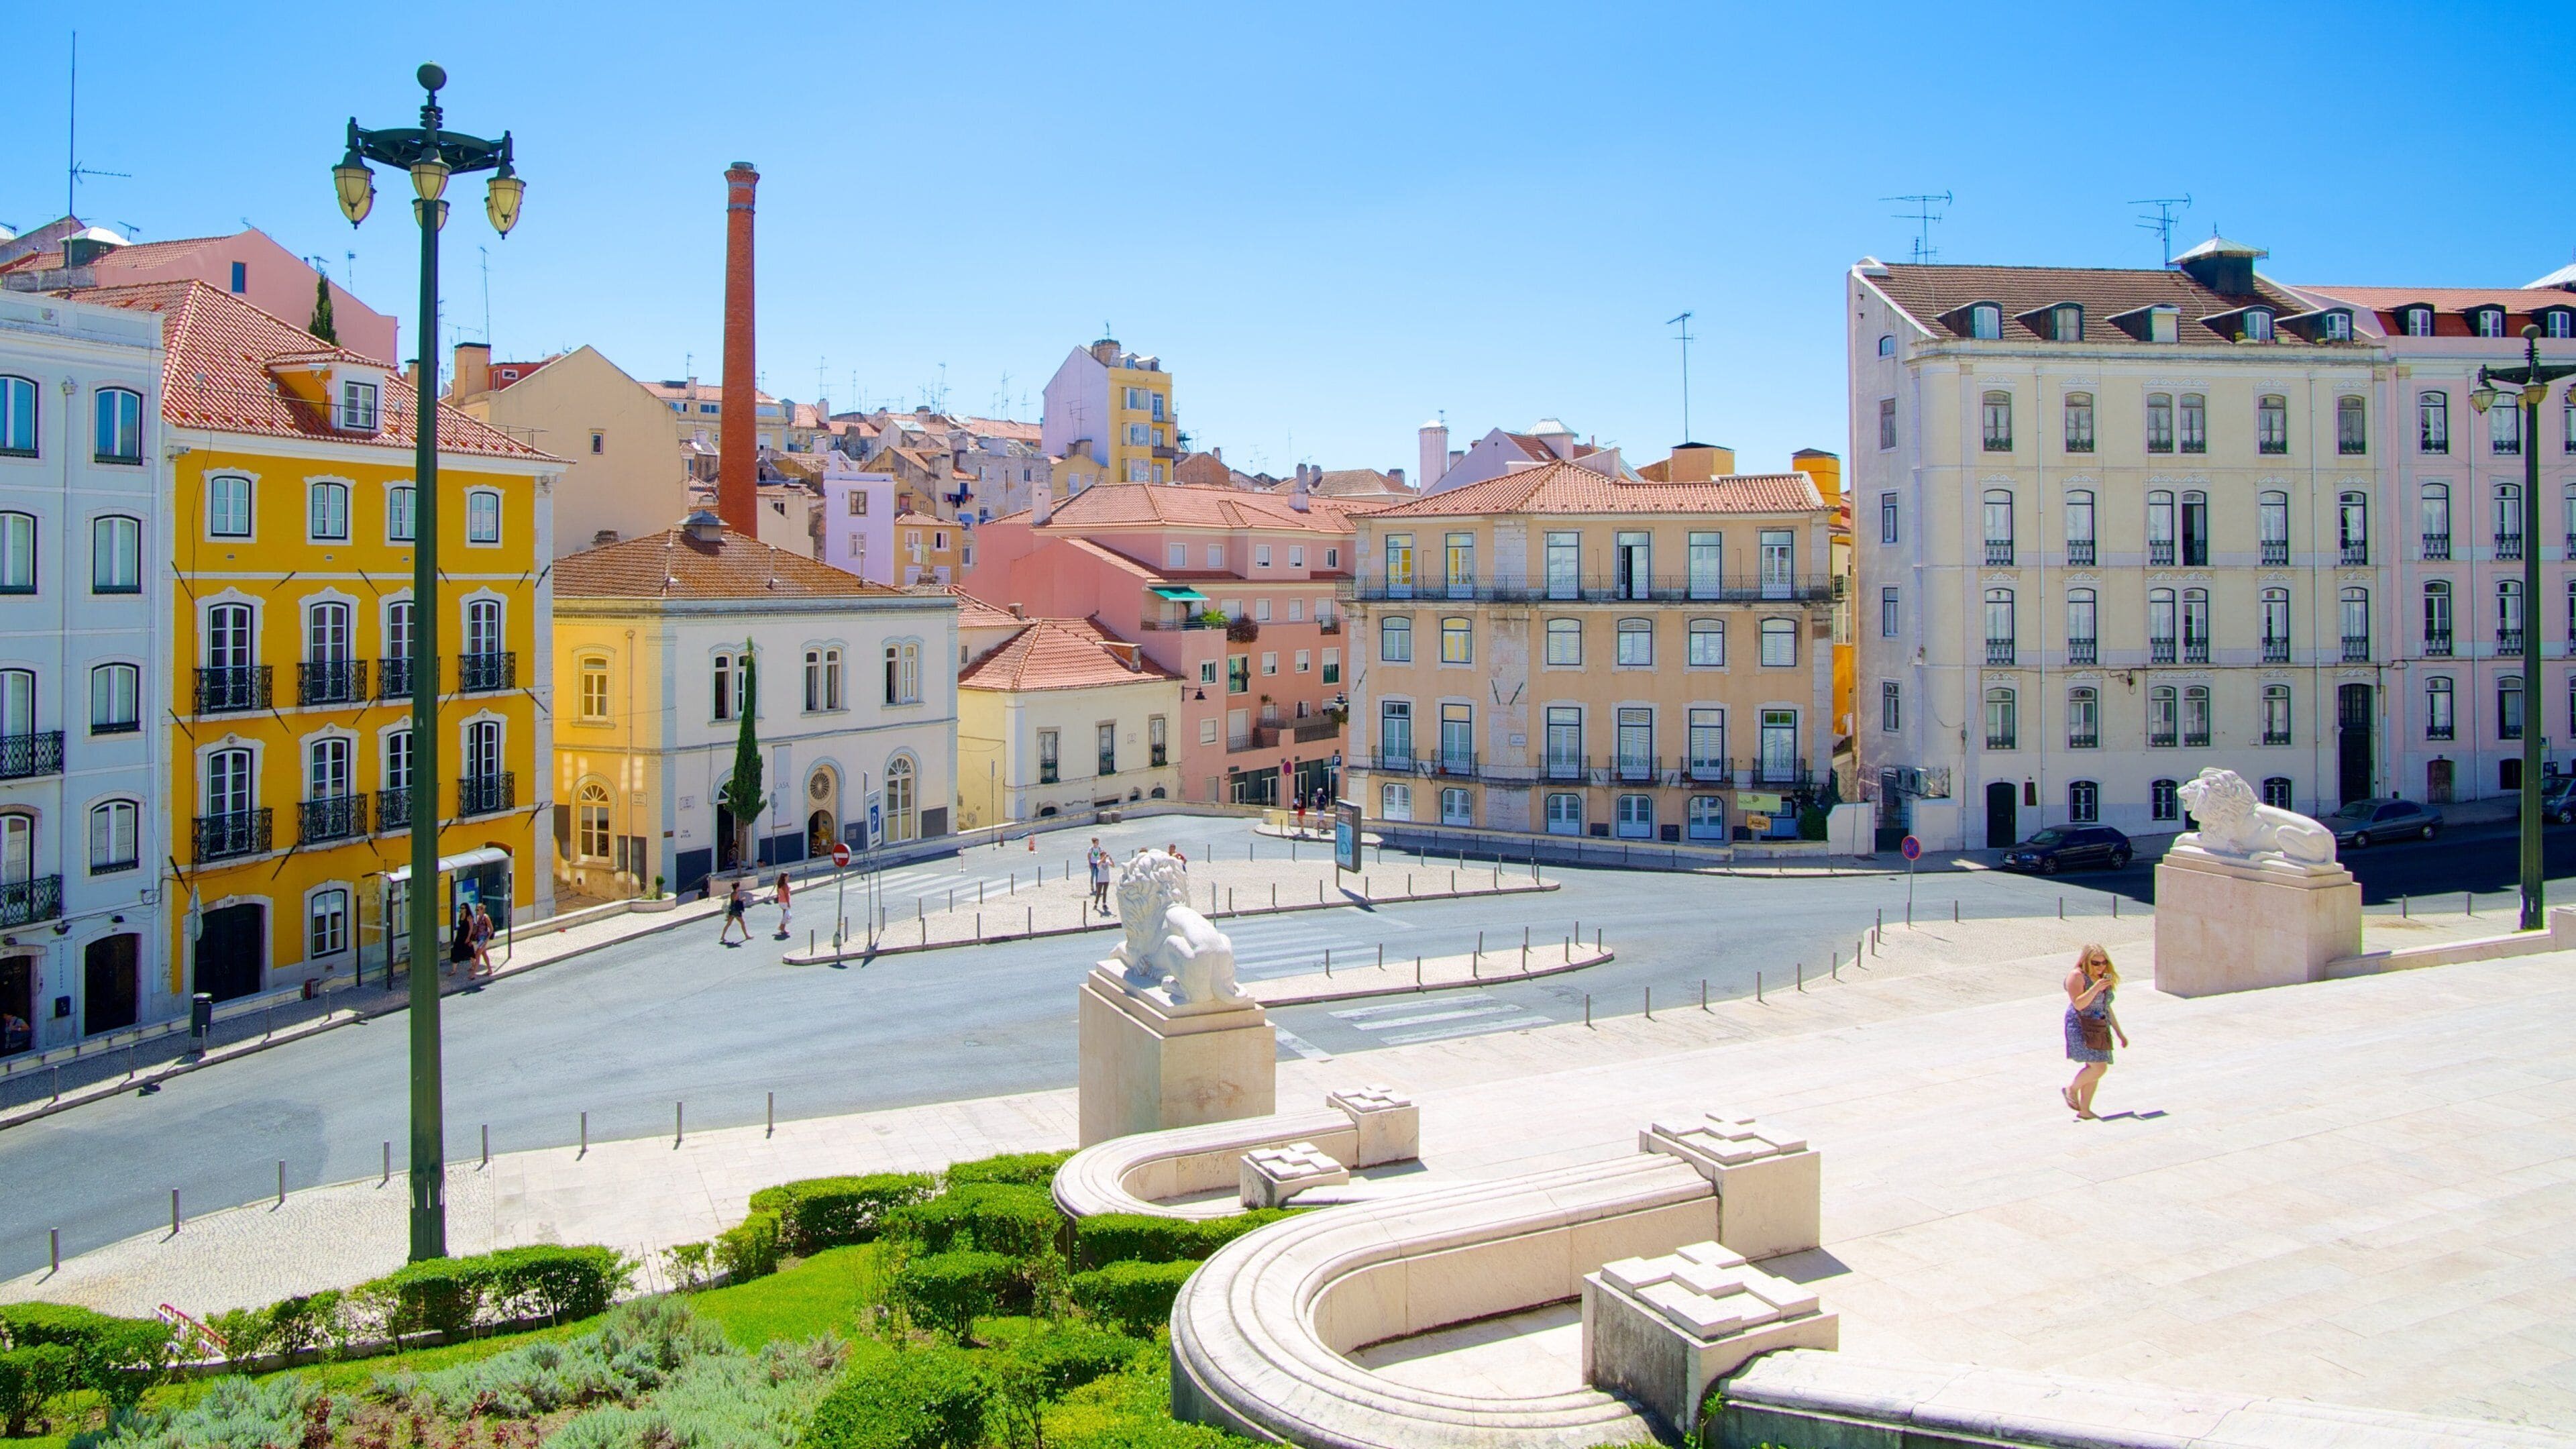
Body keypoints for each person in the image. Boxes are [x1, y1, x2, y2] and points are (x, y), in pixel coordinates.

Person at [2062, 944, 2127, 1119]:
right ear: (2086, 961)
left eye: (2104, 962)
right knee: (2099, 1067)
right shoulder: (2077, 976)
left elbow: (2106, 1006)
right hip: (2082, 1025)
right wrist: (2095, 988)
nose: (2100, 966)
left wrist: (2119, 1032)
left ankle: (2085, 1110)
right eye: (2096, 963)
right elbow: (2079, 1004)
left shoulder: (2103, 977)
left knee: (2093, 1068)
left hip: (2099, 1025)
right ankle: (2071, 1089)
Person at [719, 879, 752, 945]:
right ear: (737, 887)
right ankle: (747, 936)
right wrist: (742, 900)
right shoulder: (736, 894)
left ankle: (722, 936)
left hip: (732, 911)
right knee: (742, 923)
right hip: (736, 911)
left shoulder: (732, 893)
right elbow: (736, 902)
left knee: (728, 924)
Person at [1087, 839, 1113, 914]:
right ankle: (1092, 886)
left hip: (1105, 878)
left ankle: (1103, 903)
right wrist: (1089, 863)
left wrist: (1109, 858)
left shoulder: (1100, 849)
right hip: (1093, 863)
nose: (1097, 844)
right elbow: (1089, 856)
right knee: (1093, 875)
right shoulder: (1091, 849)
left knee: (1097, 875)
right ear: (1093, 843)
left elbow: (1112, 865)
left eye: (1098, 843)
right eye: (1096, 843)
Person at [470, 904, 496, 977]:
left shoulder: (485, 917)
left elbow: (491, 929)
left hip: (484, 938)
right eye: (476, 910)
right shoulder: (478, 917)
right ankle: (489, 969)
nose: (477, 911)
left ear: (482, 910)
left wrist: (487, 939)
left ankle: (474, 974)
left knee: (477, 954)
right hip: (479, 938)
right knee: (484, 954)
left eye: (478, 910)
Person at [449, 904, 476, 975]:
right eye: (460, 908)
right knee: (456, 951)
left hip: (466, 936)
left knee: (470, 952)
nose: (461, 909)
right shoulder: (461, 916)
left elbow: (471, 929)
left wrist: (468, 938)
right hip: (460, 936)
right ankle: (454, 970)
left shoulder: (469, 917)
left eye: (463, 908)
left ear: (466, 909)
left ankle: (474, 966)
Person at [773, 872, 794, 940]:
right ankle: (782, 928)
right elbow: (786, 895)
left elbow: (778, 892)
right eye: (788, 876)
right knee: (786, 916)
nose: (789, 878)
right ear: (785, 877)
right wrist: (788, 903)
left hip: (781, 901)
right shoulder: (785, 885)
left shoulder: (780, 884)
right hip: (785, 902)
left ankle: (782, 928)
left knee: (784, 915)